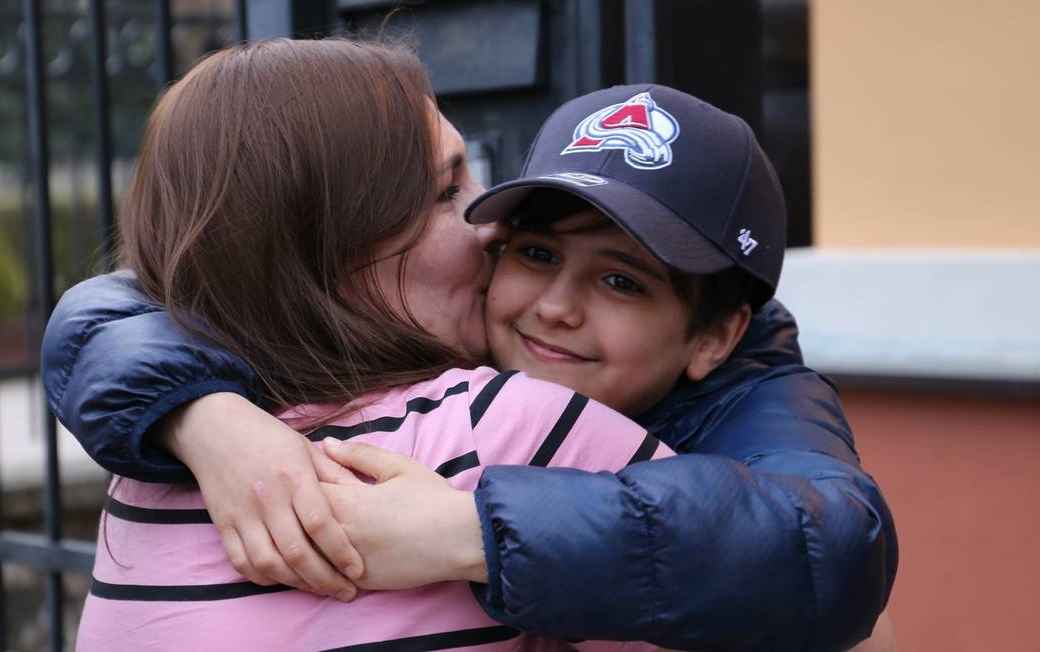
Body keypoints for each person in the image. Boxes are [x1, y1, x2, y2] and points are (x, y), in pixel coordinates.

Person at [44, 44, 897, 652]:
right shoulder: (509, 418)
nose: (488, 232)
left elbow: (832, 556)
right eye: (456, 194)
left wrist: (473, 532)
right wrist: (203, 416)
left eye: (624, 281)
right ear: (332, 251)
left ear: (717, 335)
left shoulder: (146, 472)